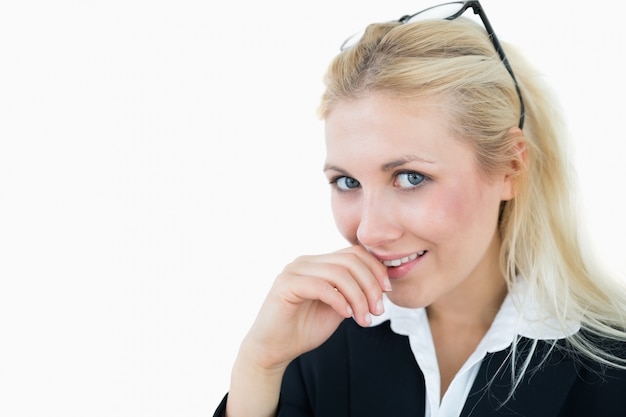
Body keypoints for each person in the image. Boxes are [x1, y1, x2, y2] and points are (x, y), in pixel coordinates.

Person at [214, 1, 626, 416]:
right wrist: (259, 366)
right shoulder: (312, 348)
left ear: (510, 168)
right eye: (347, 182)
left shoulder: (614, 371)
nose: (369, 232)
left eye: (411, 178)